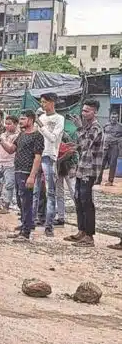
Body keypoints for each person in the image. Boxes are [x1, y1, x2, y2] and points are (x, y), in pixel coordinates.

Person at [64, 100, 104, 247]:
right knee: (78, 199)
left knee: (87, 202)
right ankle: (81, 231)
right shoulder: (87, 127)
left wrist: (79, 128)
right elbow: (83, 146)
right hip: (82, 168)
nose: (83, 113)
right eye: (83, 110)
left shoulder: (96, 128)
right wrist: (74, 146)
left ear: (95, 112)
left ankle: (89, 236)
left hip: (90, 170)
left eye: (87, 111)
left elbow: (87, 144)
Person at [2, 110, 44, 241]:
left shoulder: (37, 136)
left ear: (31, 120)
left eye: (23, 119)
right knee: (21, 201)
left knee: (27, 201)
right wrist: (0, 140)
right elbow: (10, 150)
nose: (20, 121)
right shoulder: (21, 135)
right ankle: (24, 226)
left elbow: (38, 158)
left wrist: (32, 176)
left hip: (27, 172)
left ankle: (26, 233)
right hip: (18, 170)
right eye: (20, 119)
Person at [32, 93, 64, 237]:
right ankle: (30, 221)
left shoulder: (59, 119)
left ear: (52, 103)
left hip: (49, 156)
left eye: (45, 102)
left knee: (50, 192)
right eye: (41, 102)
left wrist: (41, 125)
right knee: (34, 191)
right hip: (37, 156)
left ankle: (49, 225)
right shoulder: (41, 118)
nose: (42, 105)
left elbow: (53, 138)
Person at [55, 133, 78, 227]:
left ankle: (81, 217)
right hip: (57, 168)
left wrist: (74, 166)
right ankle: (61, 218)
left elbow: (75, 151)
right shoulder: (47, 136)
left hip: (68, 167)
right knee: (59, 194)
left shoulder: (64, 135)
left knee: (74, 192)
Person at [99, 112, 122, 186]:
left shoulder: (120, 126)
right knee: (101, 163)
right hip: (105, 146)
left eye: (115, 117)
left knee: (112, 164)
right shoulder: (106, 125)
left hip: (114, 147)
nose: (113, 119)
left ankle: (110, 181)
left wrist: (118, 140)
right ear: (110, 117)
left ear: (117, 118)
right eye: (112, 117)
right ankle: (98, 179)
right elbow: (102, 134)